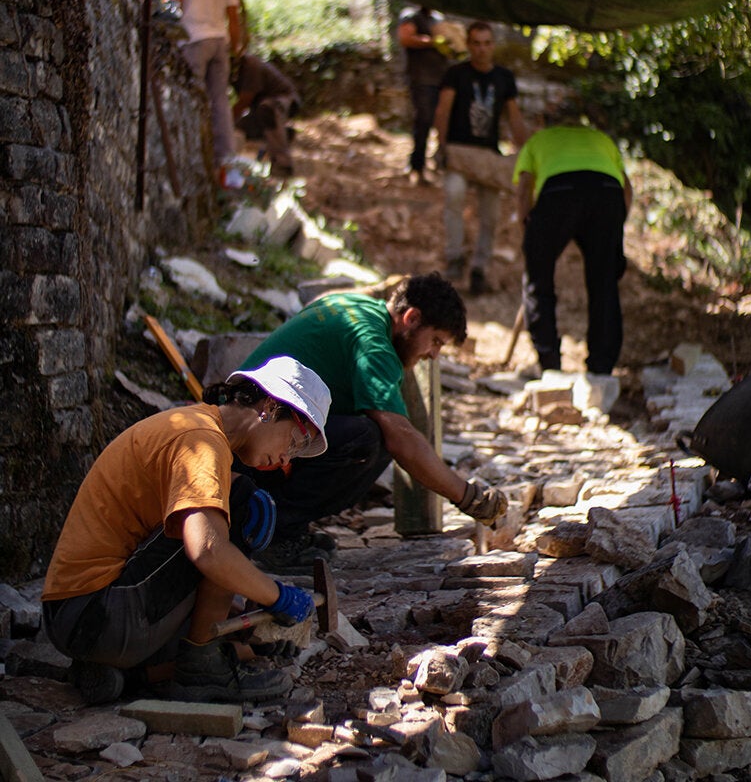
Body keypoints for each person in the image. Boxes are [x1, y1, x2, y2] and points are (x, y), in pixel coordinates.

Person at [42, 357, 331, 706]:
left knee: (241, 643)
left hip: (80, 617)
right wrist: (276, 596)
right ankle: (202, 671)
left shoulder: (198, 427)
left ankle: (130, 675)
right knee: (241, 502)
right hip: (95, 615)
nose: (286, 459)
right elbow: (207, 550)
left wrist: (247, 617)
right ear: (270, 407)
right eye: (295, 441)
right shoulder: (201, 442)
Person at [237, 273, 508, 571]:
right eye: (435, 341)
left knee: (363, 431)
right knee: (368, 440)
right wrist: (468, 497)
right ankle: (271, 531)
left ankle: (275, 522)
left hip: (249, 434)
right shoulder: (375, 345)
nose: (433, 355)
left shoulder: (356, 306)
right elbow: (401, 438)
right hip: (252, 450)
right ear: (411, 318)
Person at [514, 121, 633, 375]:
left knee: (538, 281)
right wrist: (615, 229)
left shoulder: (537, 140)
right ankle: (601, 367)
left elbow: (524, 189)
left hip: (558, 191)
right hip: (607, 194)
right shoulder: (601, 139)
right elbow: (627, 188)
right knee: (604, 282)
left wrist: (530, 238)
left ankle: (549, 363)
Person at [434, 21, 527, 295]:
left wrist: (526, 150)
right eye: (476, 43)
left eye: (487, 43)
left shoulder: (504, 77)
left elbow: (514, 117)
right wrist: (441, 146)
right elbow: (443, 110)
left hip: (488, 156)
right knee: (454, 196)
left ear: (493, 45)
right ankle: (454, 258)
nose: (482, 49)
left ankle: (479, 268)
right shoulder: (455, 74)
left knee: (491, 215)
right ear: (468, 45)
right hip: (458, 153)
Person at [172, 0, 242, 183]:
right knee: (220, 100)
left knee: (193, 96)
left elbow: (176, 4)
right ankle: (226, 159)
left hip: (195, 40)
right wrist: (235, 47)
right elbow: (233, 17)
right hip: (220, 41)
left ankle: (193, 155)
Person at [397, 5, 448, 185]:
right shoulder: (411, 16)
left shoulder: (438, 18)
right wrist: (432, 42)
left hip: (442, 79)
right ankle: (417, 166)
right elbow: (405, 38)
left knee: (443, 122)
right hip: (421, 79)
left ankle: (441, 162)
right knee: (424, 121)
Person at [233, 54, 299, 178]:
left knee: (267, 110)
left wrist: (227, 122)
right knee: (241, 126)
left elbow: (245, 101)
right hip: (259, 110)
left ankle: (283, 164)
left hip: (282, 101)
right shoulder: (233, 70)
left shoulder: (250, 65)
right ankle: (283, 134)